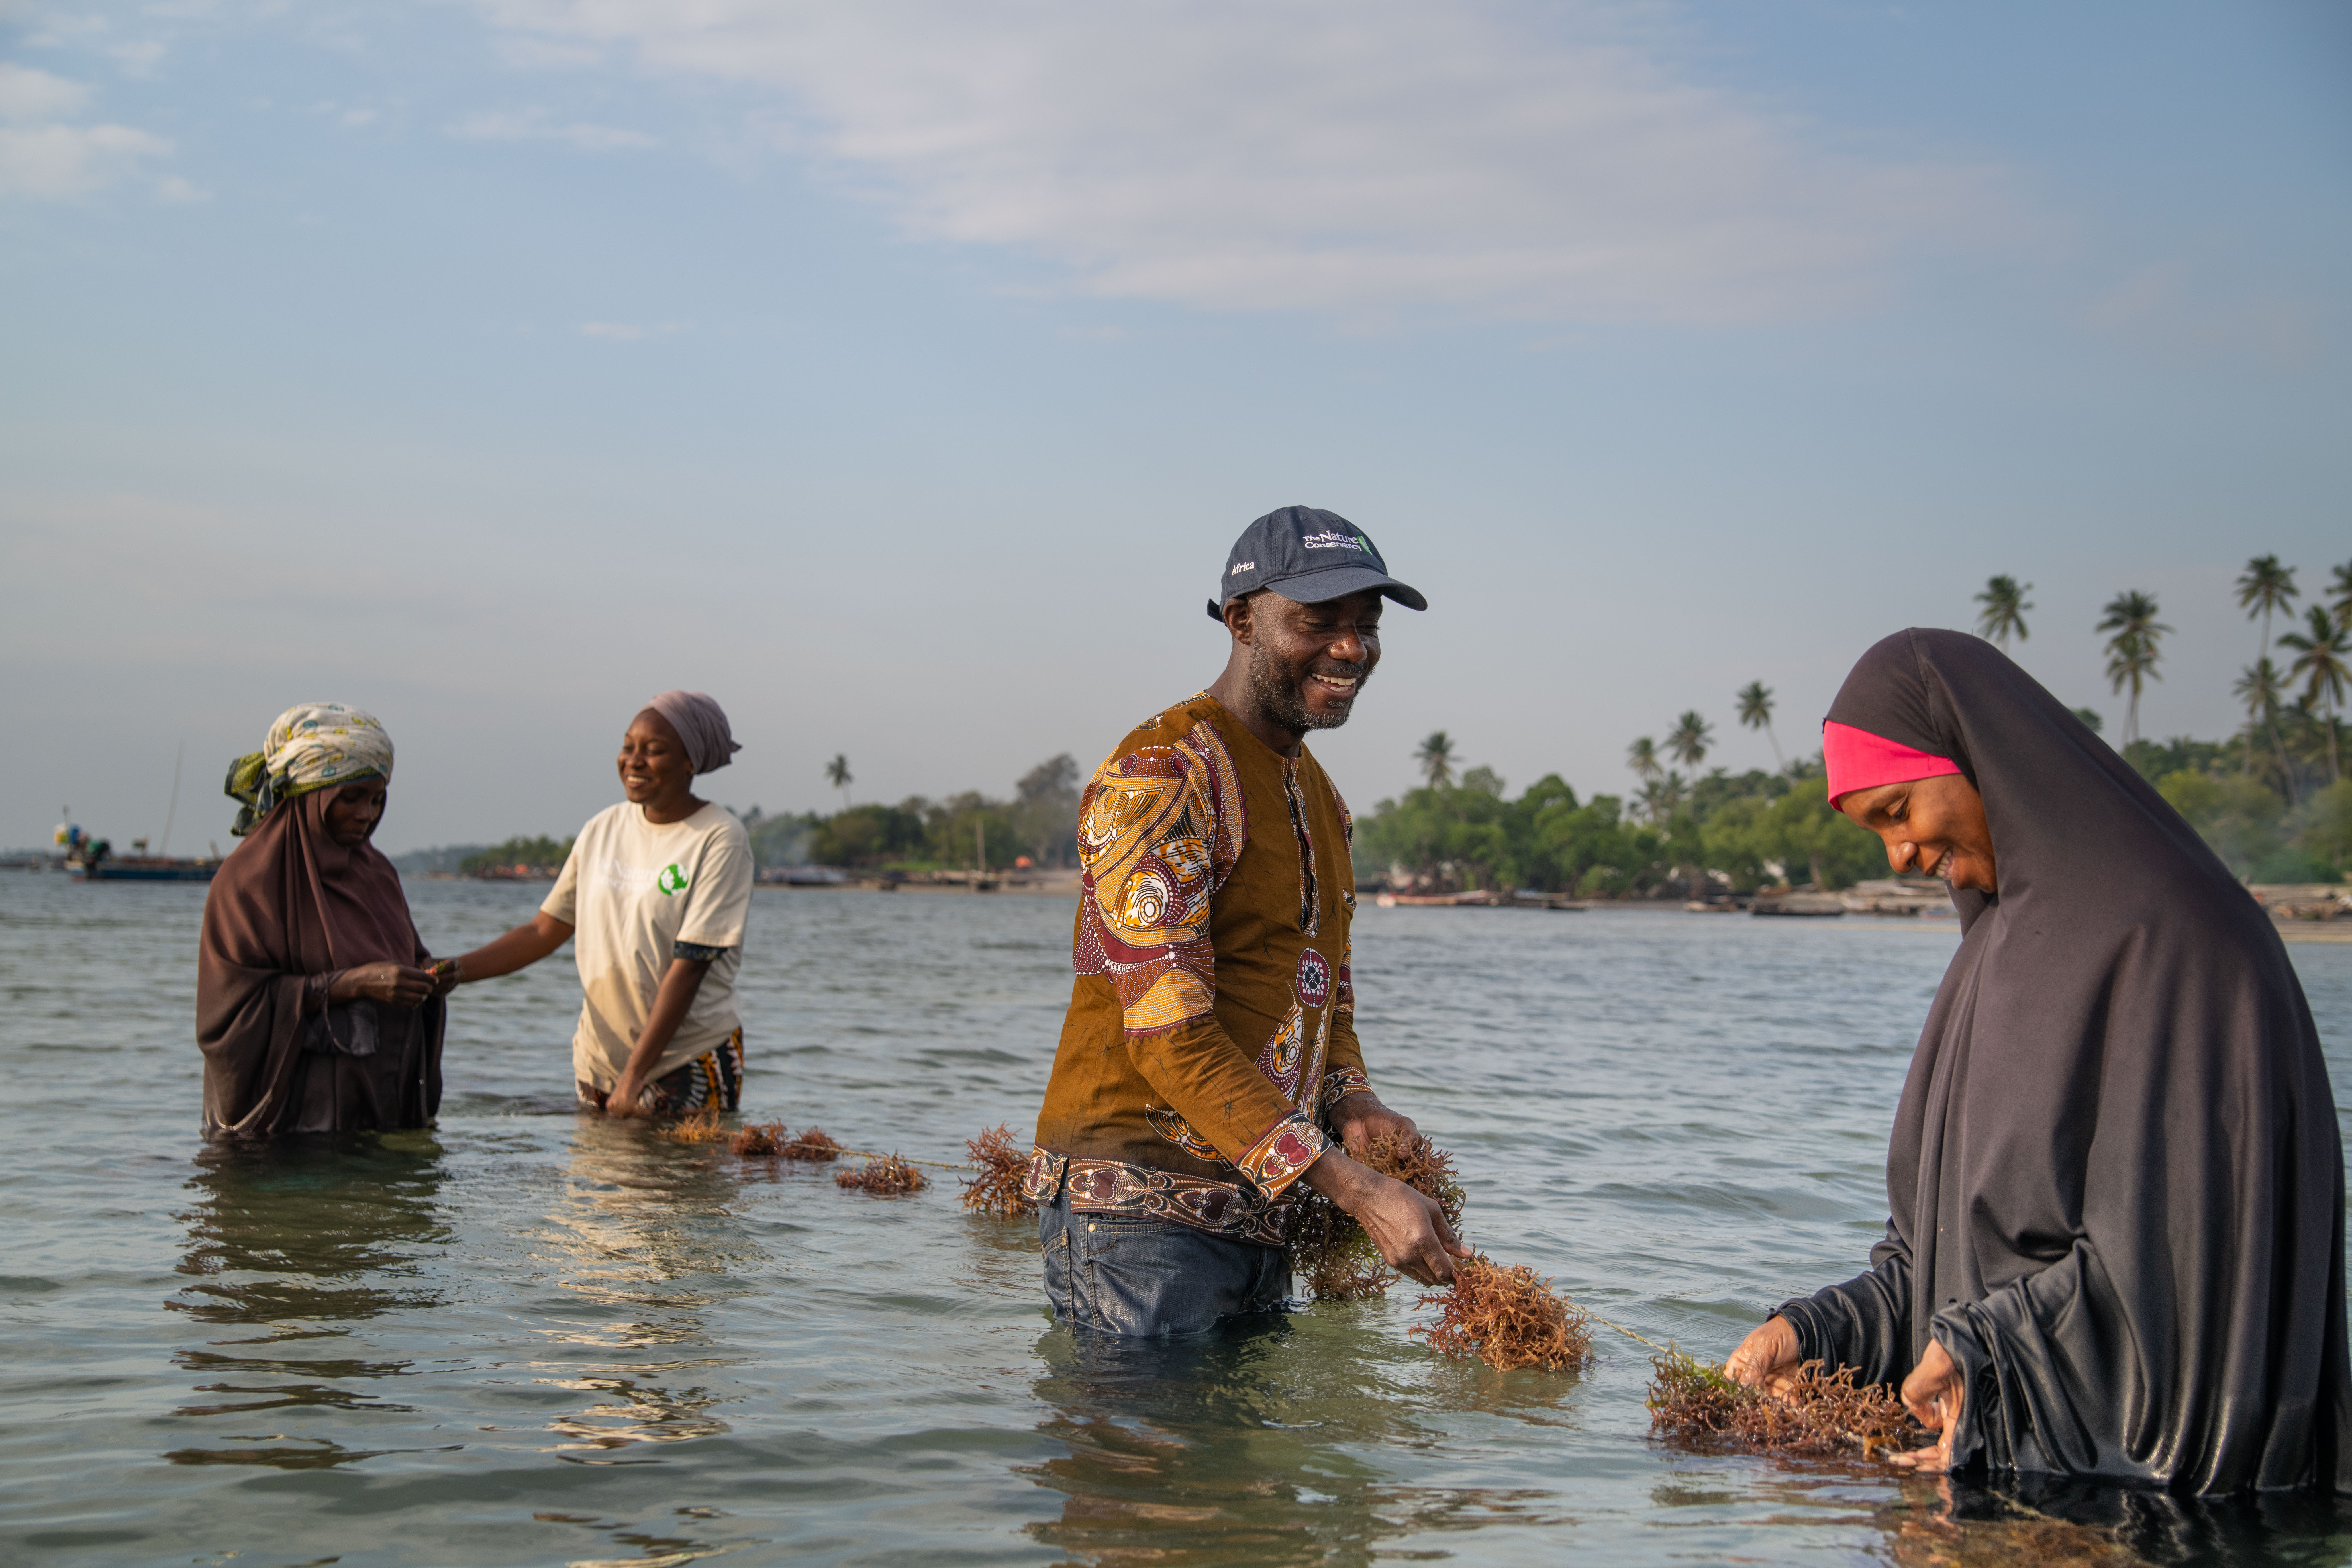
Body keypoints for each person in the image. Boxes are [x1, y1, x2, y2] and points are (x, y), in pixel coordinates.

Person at [1724, 628, 2350, 1494]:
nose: (1899, 857)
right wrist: (1810, 1332)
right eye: (1877, 832)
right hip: (2001, 1476)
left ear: (1979, 757)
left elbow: (2187, 1280)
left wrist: (1989, 1360)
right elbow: (1940, 1265)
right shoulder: (1988, 960)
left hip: (2160, 1512)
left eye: (1899, 812)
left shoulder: (2183, 944)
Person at [1023, 506, 1470, 1337]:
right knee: (1143, 1464)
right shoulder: (1163, 777)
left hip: (1259, 1212)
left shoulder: (1323, 802)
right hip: (1136, 1221)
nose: (1351, 649)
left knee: (1242, 1468)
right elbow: (1168, 1035)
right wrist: (1358, 1190)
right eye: (1318, 623)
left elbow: (1321, 993)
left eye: (1366, 627)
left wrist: (1356, 1101)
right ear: (1241, 621)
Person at [448, 692, 754, 1117]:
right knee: (600, 1182)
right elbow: (543, 931)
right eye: (628, 747)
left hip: (686, 1060)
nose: (634, 761)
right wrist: (452, 972)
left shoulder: (719, 838)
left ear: (691, 762)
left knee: (683, 1184)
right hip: (598, 1063)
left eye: (655, 751)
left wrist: (633, 1079)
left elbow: (691, 966)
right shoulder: (602, 829)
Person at [198, 703, 450, 1137]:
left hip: (377, 1123)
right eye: (350, 798)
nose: (366, 815)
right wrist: (355, 984)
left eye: (376, 799)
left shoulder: (379, 874)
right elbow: (230, 1016)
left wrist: (426, 977)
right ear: (309, 793)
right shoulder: (248, 882)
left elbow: (403, 956)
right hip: (289, 1137)